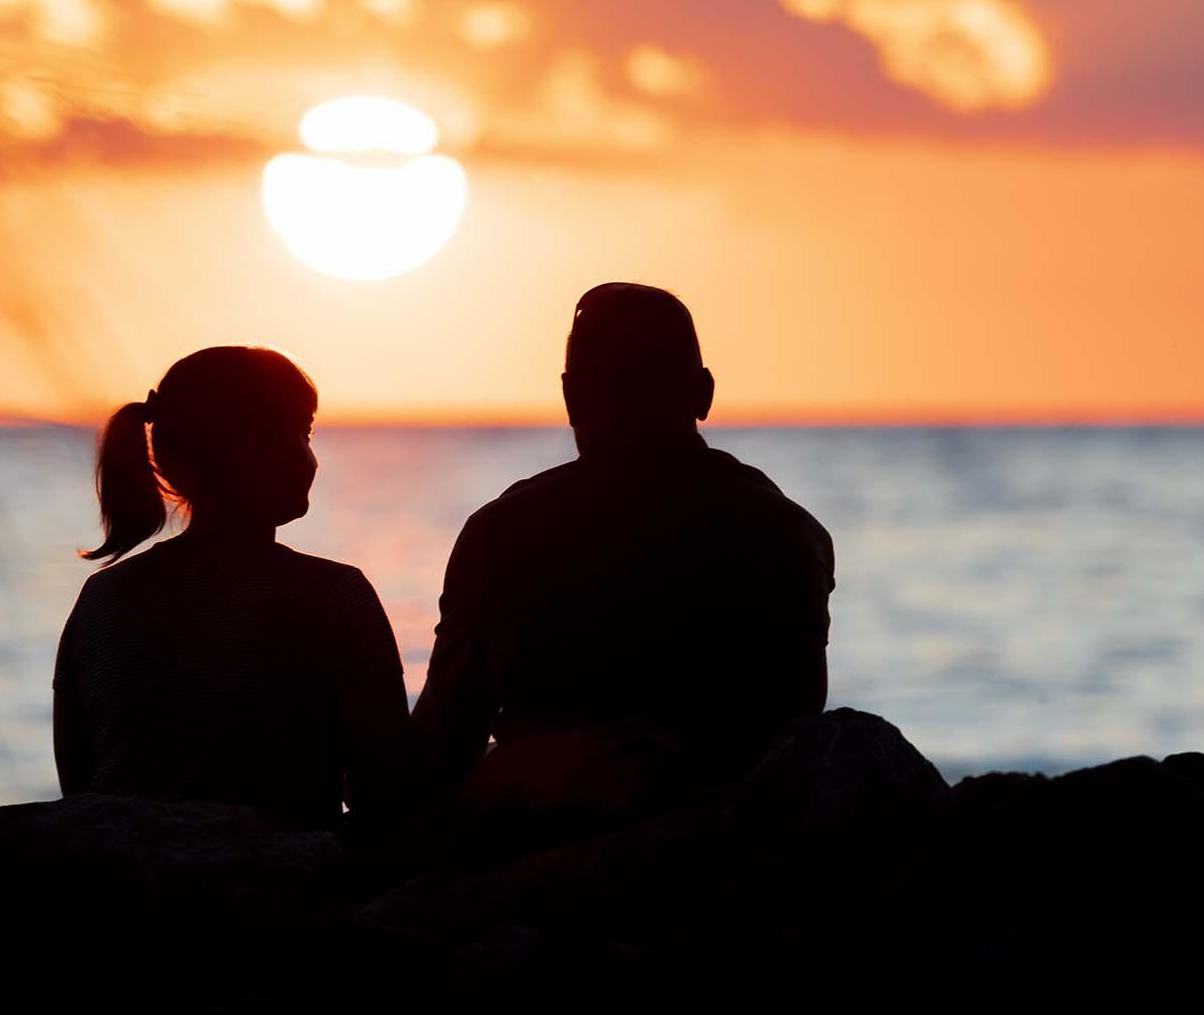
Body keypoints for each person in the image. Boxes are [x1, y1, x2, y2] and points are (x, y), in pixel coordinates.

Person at [411, 282, 836, 810]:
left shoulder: (503, 534)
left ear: (571, 397)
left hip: (550, 860)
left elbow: (439, 756)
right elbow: (796, 742)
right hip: (742, 854)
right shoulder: (789, 532)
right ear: (704, 393)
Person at [53, 346, 410, 831]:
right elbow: (385, 790)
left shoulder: (104, 598)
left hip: (130, 884)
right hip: (277, 887)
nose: (311, 456)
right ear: (259, 450)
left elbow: (79, 786)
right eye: (303, 433)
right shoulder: (333, 595)